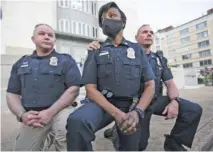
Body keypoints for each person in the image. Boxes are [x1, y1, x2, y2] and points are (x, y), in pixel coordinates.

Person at [88, 24, 203, 151]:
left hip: (154, 100)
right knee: (139, 145)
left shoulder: (158, 59)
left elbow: (170, 83)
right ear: (136, 37)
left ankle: (173, 143)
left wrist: (175, 100)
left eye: (151, 32)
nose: (149, 34)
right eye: (144, 32)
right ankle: (117, 133)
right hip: (134, 103)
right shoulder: (123, 53)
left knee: (193, 110)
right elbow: (109, 48)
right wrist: (97, 46)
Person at [66, 2, 155, 151]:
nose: (107, 19)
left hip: (131, 106)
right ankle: (116, 129)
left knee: (136, 146)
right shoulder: (96, 49)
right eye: (103, 18)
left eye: (112, 15)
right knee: (77, 121)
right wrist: (117, 114)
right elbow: (90, 89)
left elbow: (150, 85)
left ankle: (117, 134)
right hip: (102, 105)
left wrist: (137, 112)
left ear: (123, 21)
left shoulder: (136, 50)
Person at [6, 23, 82, 151]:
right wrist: (22, 115)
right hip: (34, 116)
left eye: (50, 35)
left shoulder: (66, 60)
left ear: (54, 40)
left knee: (66, 129)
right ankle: (46, 138)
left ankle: (54, 136)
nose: (47, 37)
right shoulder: (21, 63)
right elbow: (12, 94)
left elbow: (74, 89)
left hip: (61, 111)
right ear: (33, 39)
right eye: (42, 34)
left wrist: (50, 112)